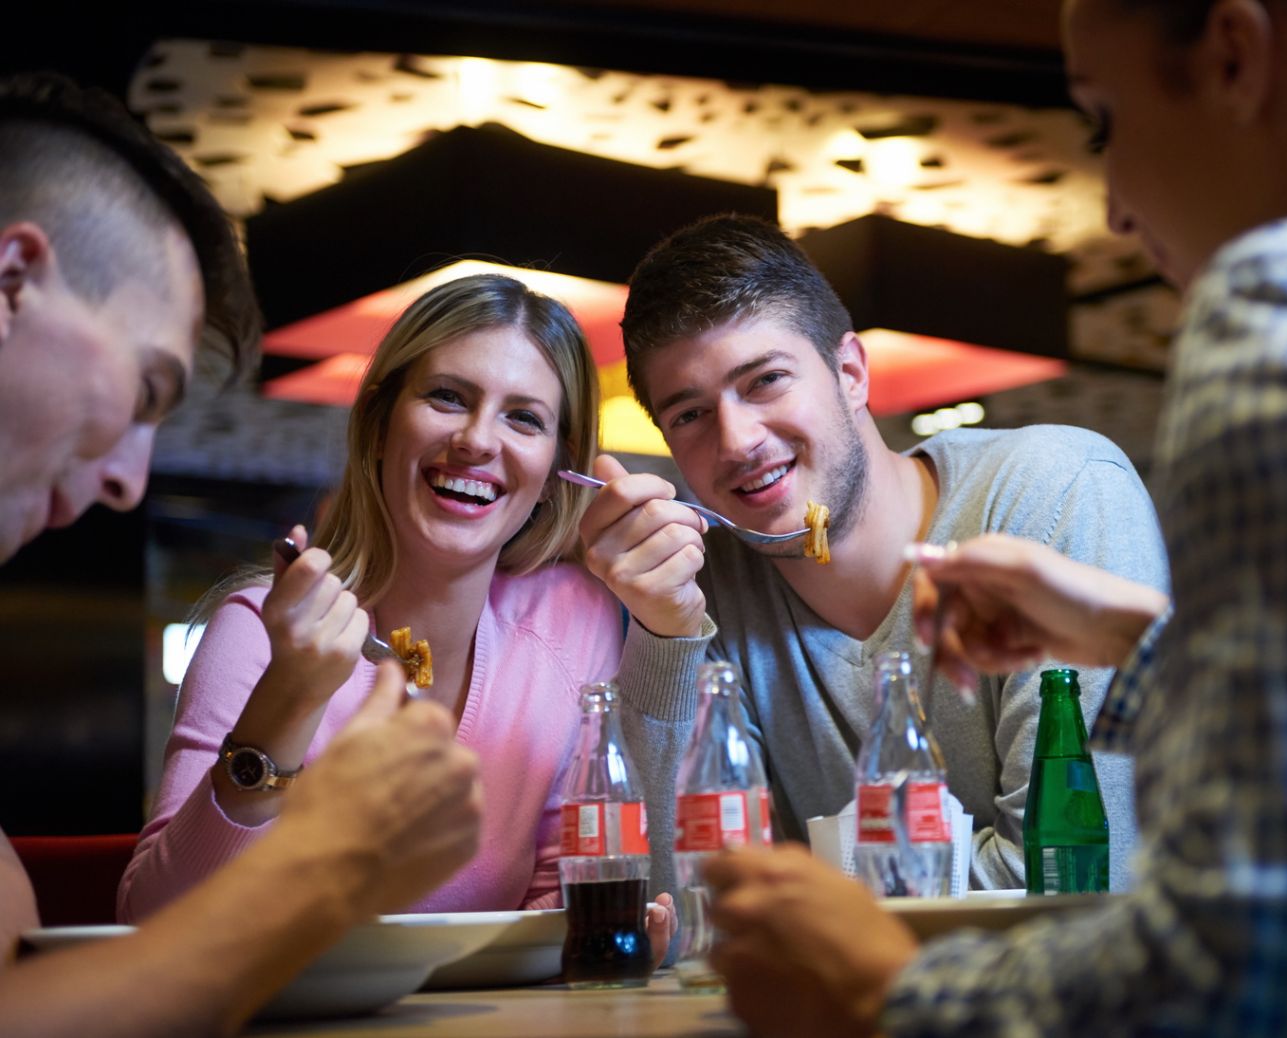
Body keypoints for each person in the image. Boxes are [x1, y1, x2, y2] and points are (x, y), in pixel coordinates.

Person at [698, 0, 1287, 1035]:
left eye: (1102, 122)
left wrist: (883, 988)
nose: (1115, 208)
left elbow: (1233, 958)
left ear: (1234, 56)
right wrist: (1132, 635)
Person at [0, 72, 482, 1035]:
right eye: (145, 390)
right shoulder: (254, 620)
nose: (130, 479)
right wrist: (327, 862)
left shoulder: (573, 622)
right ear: (11, 282)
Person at [580, 213, 1169, 903]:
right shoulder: (699, 589)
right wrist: (666, 634)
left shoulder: (1056, 492)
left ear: (850, 371)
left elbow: (1076, 880)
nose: (736, 441)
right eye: (689, 415)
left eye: (765, 380)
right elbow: (673, 912)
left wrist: (799, 889)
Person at [118, 273, 675, 959]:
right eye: (448, 397)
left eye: (523, 417)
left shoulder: (575, 616)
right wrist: (288, 696)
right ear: (380, 425)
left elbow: (558, 888)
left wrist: (598, 930)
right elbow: (153, 924)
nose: (476, 439)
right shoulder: (259, 626)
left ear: (556, 470)